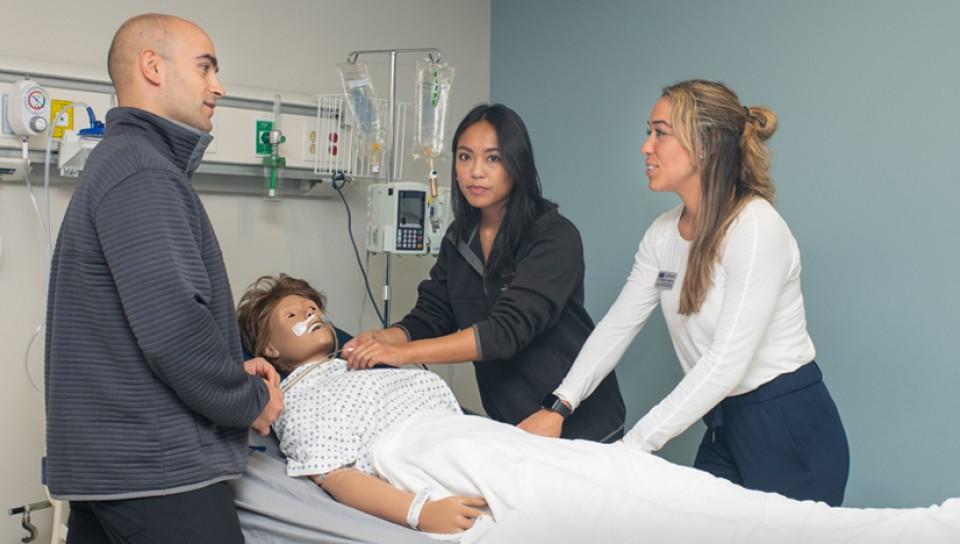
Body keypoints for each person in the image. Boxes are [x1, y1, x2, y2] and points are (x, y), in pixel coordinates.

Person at [237, 274, 960, 543]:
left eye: (311, 307)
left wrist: (389, 348)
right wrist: (420, 512)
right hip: (421, 456)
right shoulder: (303, 395)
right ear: (264, 345)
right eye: (288, 315)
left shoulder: (363, 360)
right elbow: (333, 476)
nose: (307, 315)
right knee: (622, 513)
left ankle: (898, 531)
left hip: (471, 436)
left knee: (644, 486)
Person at [523, 79, 850, 505]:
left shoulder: (755, 229)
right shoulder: (662, 236)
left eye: (660, 132)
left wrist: (633, 448)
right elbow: (618, 326)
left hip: (789, 428)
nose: (646, 146)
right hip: (723, 422)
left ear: (705, 145)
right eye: (649, 131)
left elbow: (725, 364)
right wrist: (559, 405)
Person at [45, 13, 283, 542]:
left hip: (112, 472)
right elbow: (175, 331)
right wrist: (249, 398)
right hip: (156, 474)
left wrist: (226, 369)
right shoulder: (142, 172)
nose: (218, 87)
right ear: (152, 67)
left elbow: (139, 328)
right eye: (205, 68)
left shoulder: (121, 164)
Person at [343, 104, 625, 442]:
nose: (476, 171)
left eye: (493, 158)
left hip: (580, 420)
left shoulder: (554, 237)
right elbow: (434, 314)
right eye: (465, 157)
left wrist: (403, 353)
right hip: (514, 420)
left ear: (517, 164)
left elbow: (505, 331)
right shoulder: (459, 239)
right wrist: (387, 338)